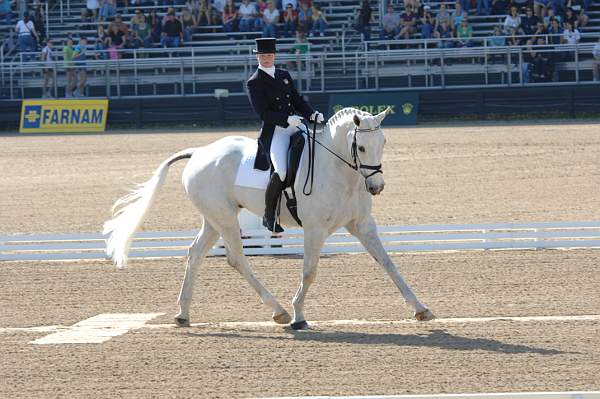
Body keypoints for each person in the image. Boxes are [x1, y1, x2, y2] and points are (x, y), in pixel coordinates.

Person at [246, 38, 323, 232]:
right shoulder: (254, 82)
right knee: (280, 171)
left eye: (269, 55)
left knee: (319, 150)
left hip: (295, 125)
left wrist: (311, 114)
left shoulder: (283, 75)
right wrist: (286, 120)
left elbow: (297, 100)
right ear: (257, 56)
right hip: (275, 131)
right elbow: (263, 113)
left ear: (274, 56)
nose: (266, 59)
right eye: (262, 56)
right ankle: (269, 215)